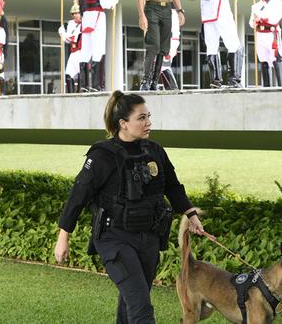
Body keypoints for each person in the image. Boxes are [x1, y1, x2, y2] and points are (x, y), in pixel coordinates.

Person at [55, 91, 206, 324]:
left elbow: (173, 187)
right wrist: (63, 237)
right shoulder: (102, 155)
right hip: (114, 239)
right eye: (142, 118)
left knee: (132, 301)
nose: (148, 123)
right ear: (123, 124)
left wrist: (191, 214)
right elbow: (78, 195)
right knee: (141, 306)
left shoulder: (154, 151)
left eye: (149, 116)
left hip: (148, 238)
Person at [137, 0, 185, 91]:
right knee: (154, 45)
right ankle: (145, 81)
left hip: (167, 9)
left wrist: (180, 10)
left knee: (164, 49)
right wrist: (141, 15)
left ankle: (154, 82)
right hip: (152, 7)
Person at [198, 0, 243, 88]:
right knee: (233, 42)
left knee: (211, 44)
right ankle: (234, 81)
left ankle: (215, 81)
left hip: (206, 3)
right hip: (220, 2)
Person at [77, 0, 119, 92]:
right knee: (98, 50)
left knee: (85, 52)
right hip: (98, 17)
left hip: (86, 18)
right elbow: (106, 3)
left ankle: (83, 85)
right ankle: (97, 85)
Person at [249, 0, 282, 87]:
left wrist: (261, 19)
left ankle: (281, 86)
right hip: (260, 35)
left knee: (276, 58)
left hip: (271, 33)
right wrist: (255, 21)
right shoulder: (255, 6)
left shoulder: (277, 3)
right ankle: (267, 87)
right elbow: (251, 23)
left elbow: (276, 18)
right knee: (263, 60)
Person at [59, 0, 83, 93]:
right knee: (68, 74)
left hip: (81, 52)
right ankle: (71, 94)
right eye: (73, 13)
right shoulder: (71, 23)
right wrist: (62, 34)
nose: (75, 15)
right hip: (73, 52)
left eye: (77, 13)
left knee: (81, 74)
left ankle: (80, 91)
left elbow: (73, 38)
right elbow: (67, 40)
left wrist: (63, 34)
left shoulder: (83, 24)